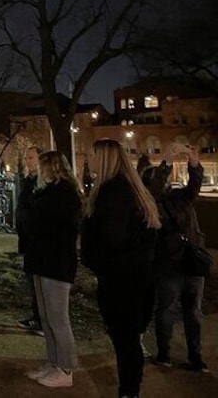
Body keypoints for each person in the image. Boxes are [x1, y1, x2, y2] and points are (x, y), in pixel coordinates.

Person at [81, 139, 161, 398]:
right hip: (137, 277)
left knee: (125, 341)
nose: (87, 158)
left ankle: (129, 391)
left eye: (92, 154)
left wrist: (93, 258)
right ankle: (130, 388)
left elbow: (111, 239)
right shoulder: (129, 189)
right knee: (129, 339)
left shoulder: (112, 193)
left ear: (104, 158)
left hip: (121, 280)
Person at [142, 144, 209, 373]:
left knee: (191, 311)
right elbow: (155, 190)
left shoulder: (181, 196)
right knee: (168, 310)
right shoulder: (153, 202)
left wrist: (194, 163)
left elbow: (194, 185)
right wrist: (167, 162)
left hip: (188, 263)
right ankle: (165, 353)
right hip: (171, 264)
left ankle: (194, 356)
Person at [23, 152, 82, 389]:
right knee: (46, 318)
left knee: (58, 318)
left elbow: (41, 221)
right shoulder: (47, 193)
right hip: (42, 260)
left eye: (42, 166)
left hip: (55, 264)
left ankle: (66, 367)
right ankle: (53, 361)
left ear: (52, 168)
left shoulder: (65, 195)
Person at [16, 146, 43, 335]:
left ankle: (42, 319)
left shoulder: (40, 183)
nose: (28, 161)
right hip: (28, 240)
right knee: (32, 281)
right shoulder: (28, 181)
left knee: (39, 283)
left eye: (31, 158)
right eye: (26, 158)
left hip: (36, 240)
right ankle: (37, 316)